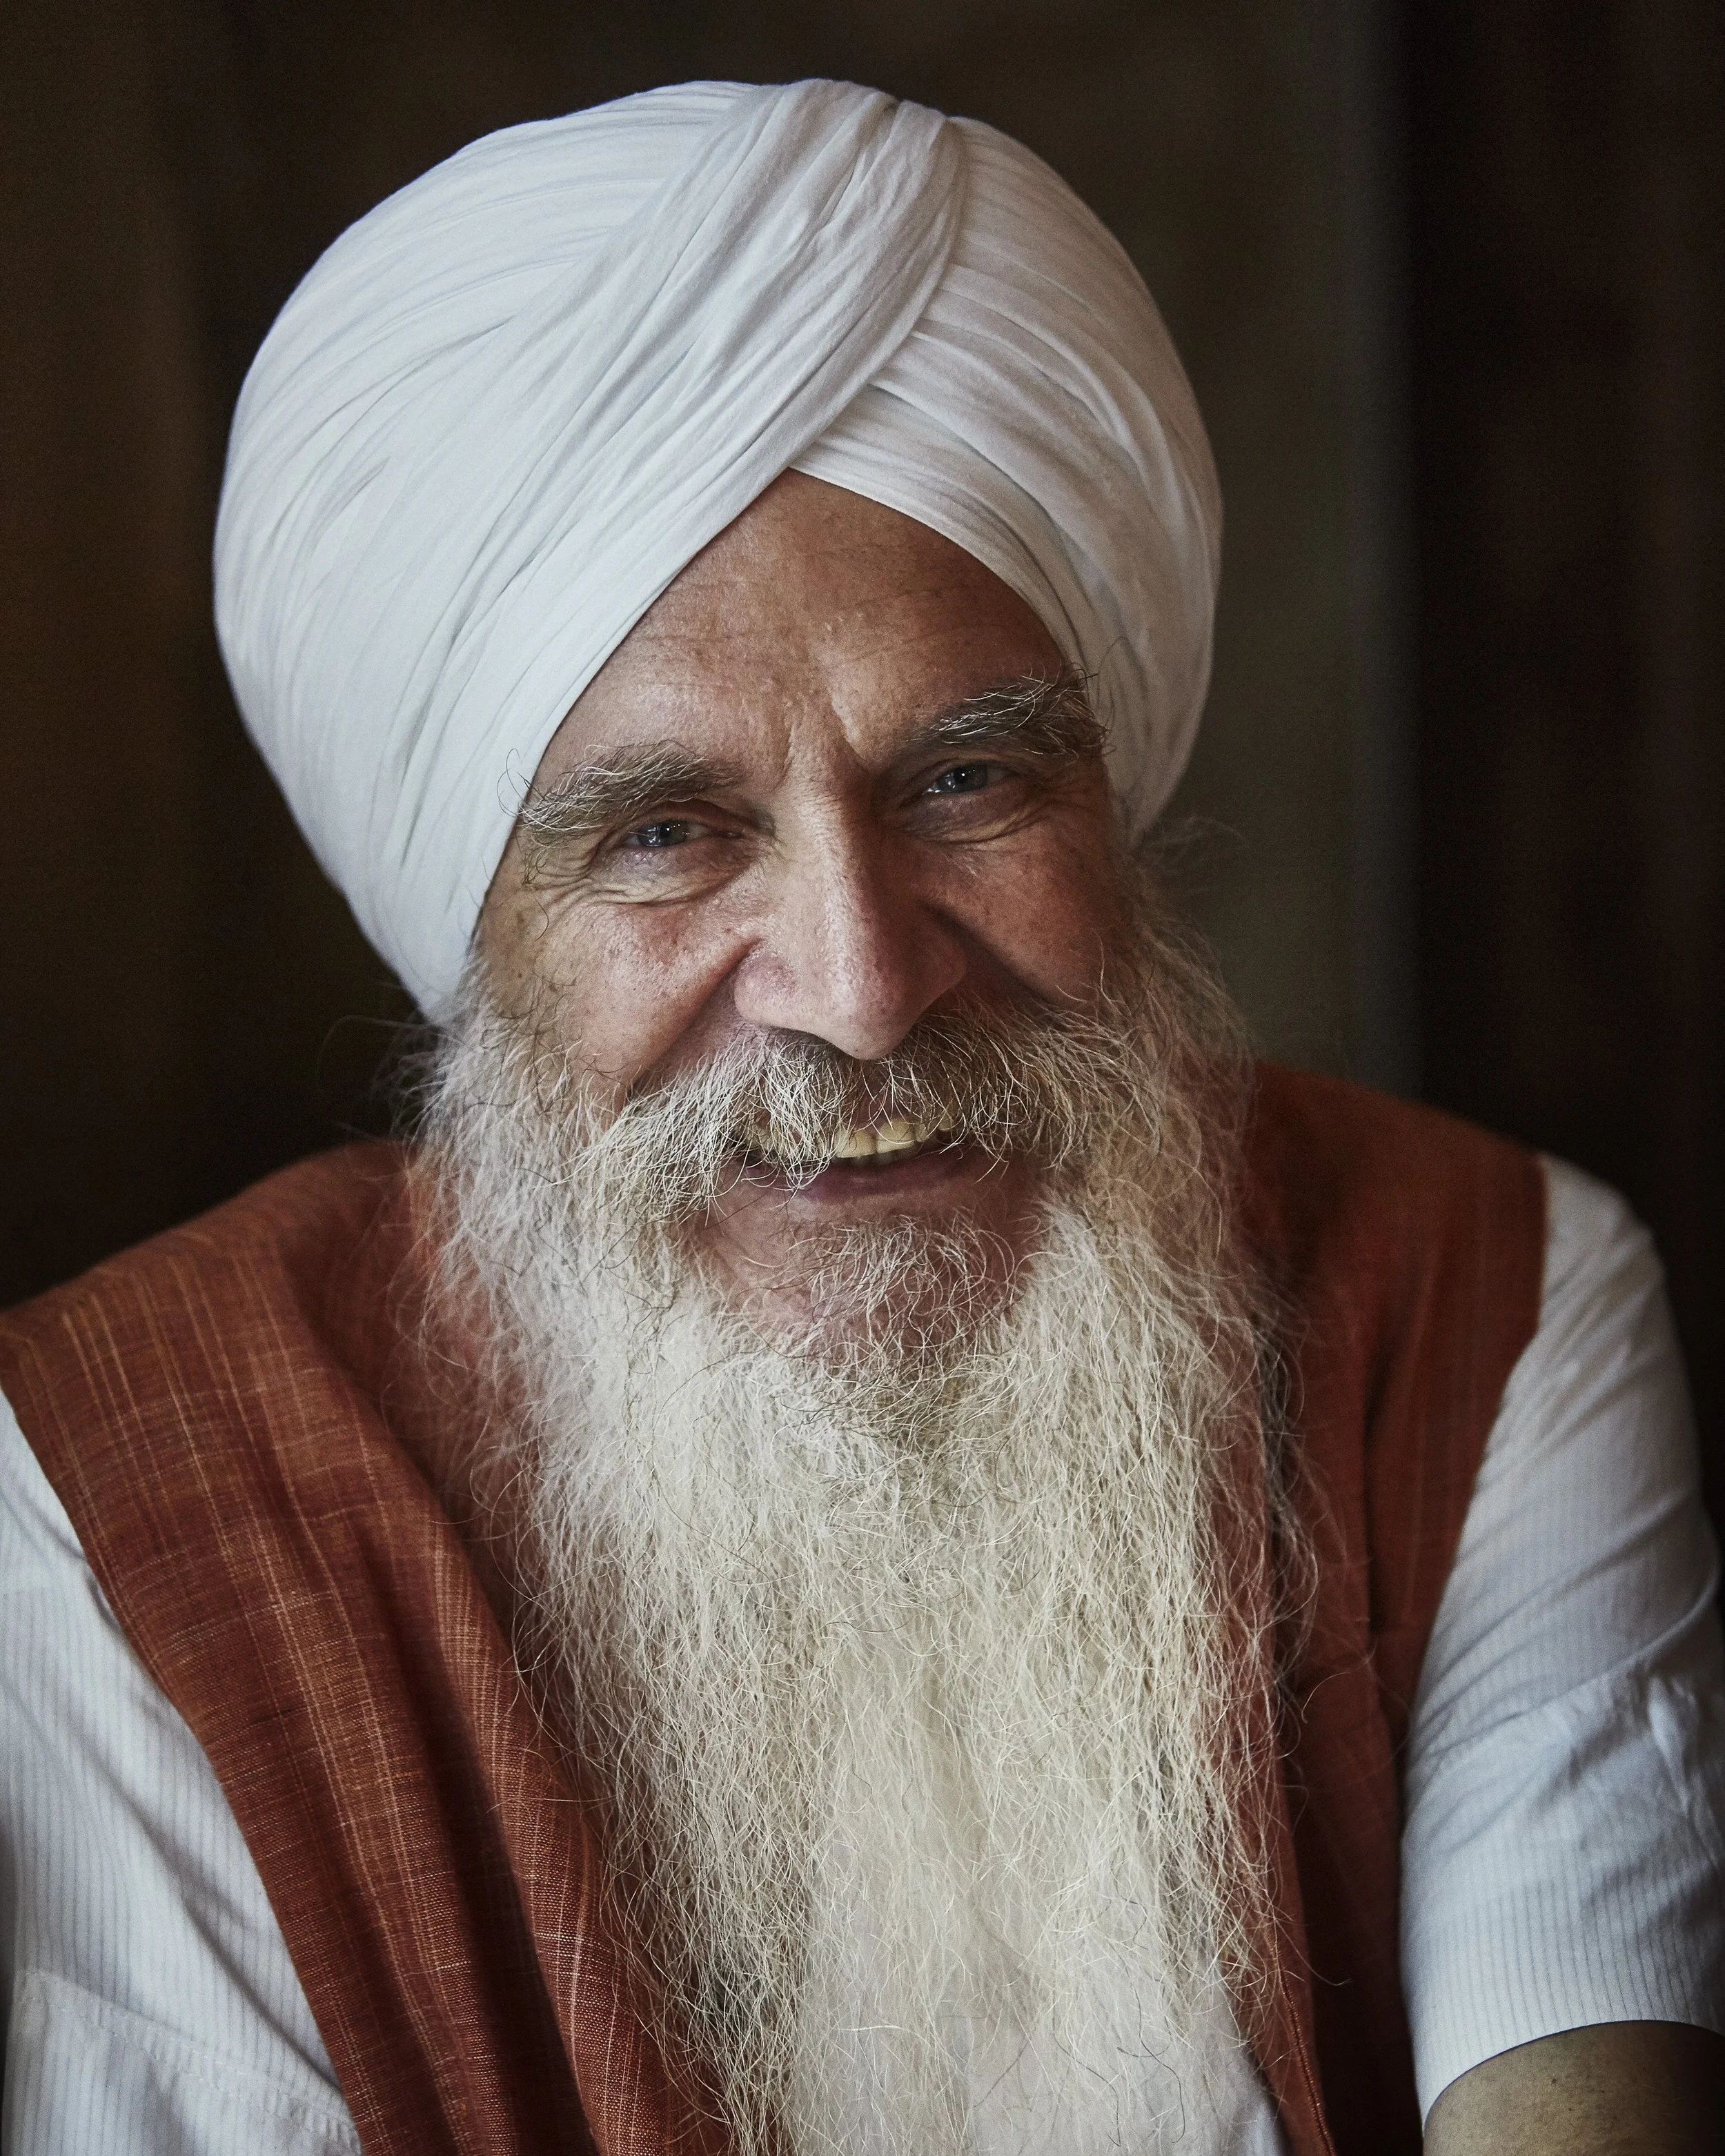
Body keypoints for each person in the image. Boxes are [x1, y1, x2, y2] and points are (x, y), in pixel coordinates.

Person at [1, 79, 1720, 2156]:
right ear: (471, 919)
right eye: (660, 834)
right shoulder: (100, 1505)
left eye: (966, 785)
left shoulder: (1479, 1295)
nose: (860, 981)